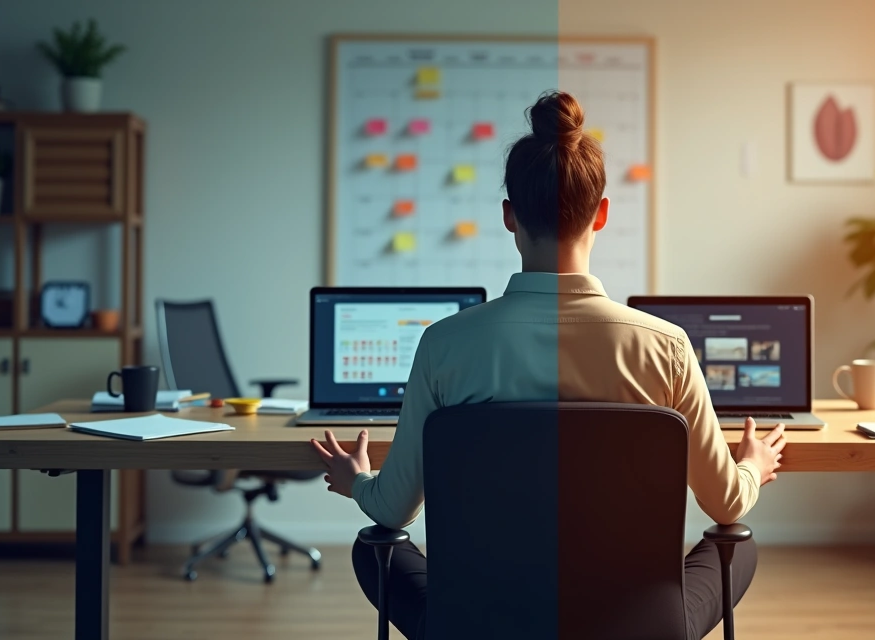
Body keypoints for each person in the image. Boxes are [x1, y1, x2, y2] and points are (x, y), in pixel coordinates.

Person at [311, 90, 786, 639]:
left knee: (376, 550)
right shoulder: (667, 347)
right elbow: (725, 502)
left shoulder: (445, 344)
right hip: (635, 624)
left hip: (477, 623)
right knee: (737, 543)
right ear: (601, 214)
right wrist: (751, 464)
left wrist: (356, 481)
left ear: (510, 216)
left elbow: (393, 511)